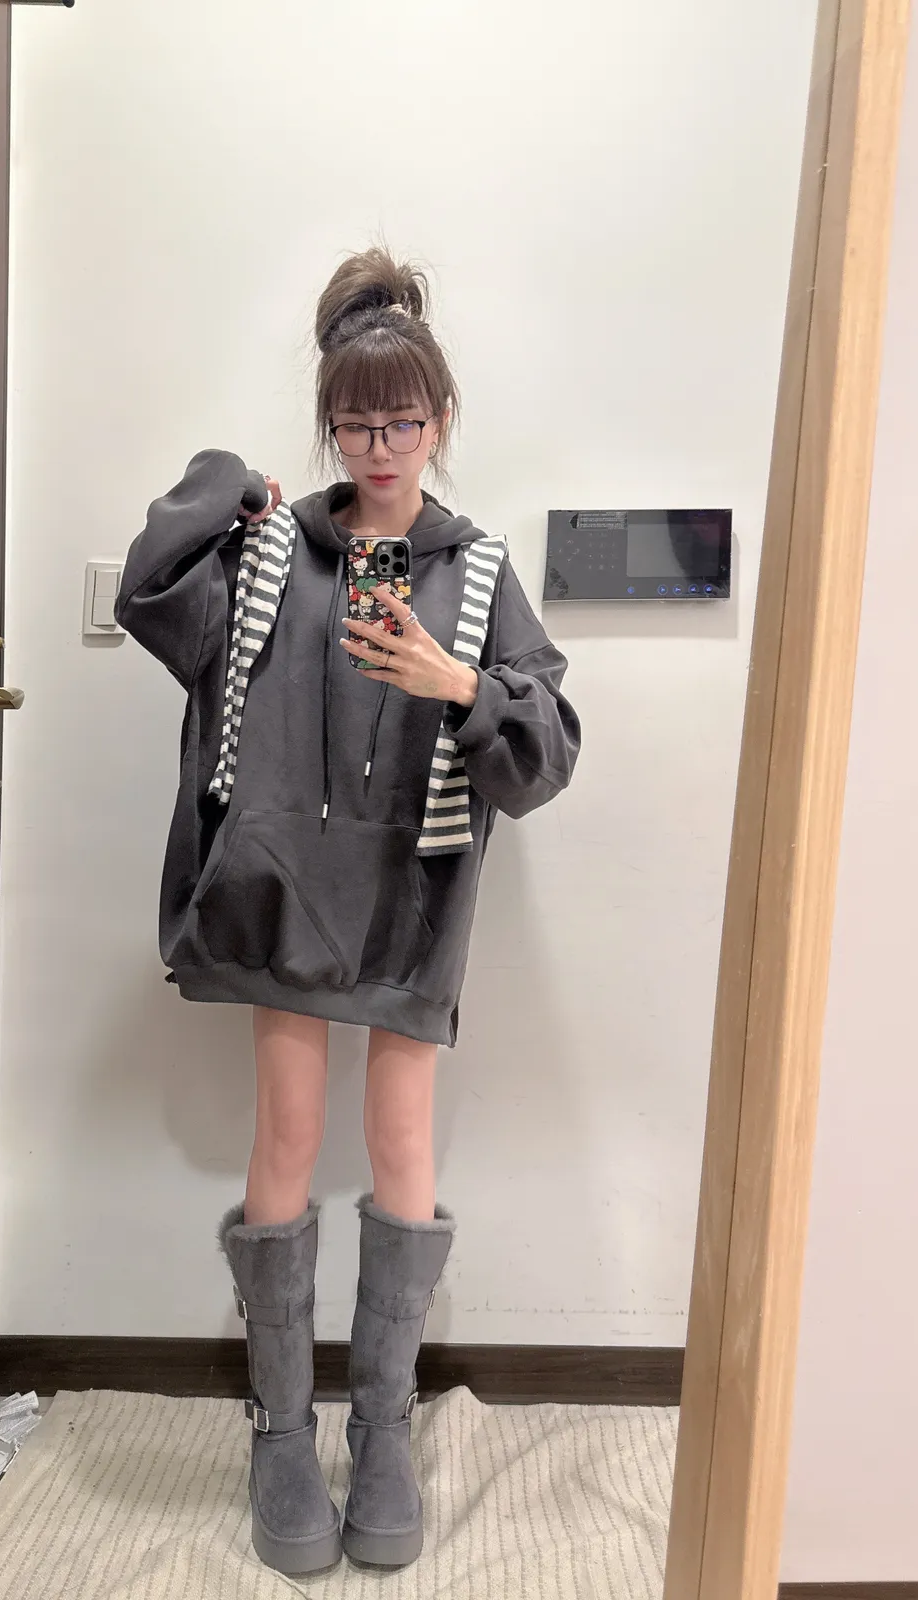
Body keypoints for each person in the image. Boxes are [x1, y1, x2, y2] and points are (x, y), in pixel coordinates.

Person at [117, 247, 580, 1576]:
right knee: (287, 1131)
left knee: (401, 1139)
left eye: (405, 420)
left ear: (442, 419)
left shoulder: (477, 571)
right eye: (358, 423)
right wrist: (231, 484)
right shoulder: (274, 552)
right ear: (329, 424)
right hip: (284, 890)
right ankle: (280, 1431)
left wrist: (457, 683)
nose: (382, 448)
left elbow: (548, 745)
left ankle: (381, 1429)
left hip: (412, 897)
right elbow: (152, 592)